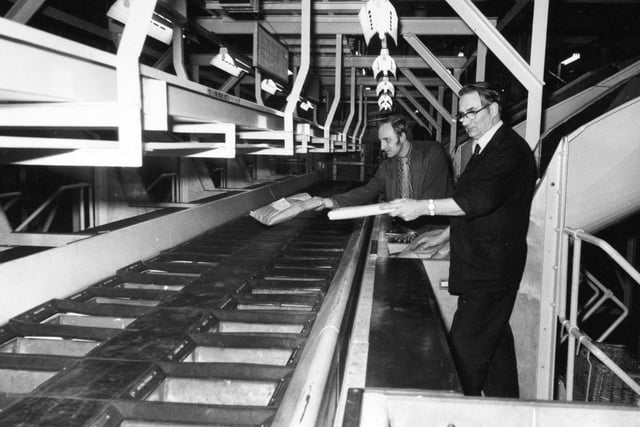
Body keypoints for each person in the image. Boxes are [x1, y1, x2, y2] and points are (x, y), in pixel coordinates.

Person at [382, 83, 537, 398]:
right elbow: (472, 203)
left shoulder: (508, 151)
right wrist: (443, 235)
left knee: (459, 364)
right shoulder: (484, 148)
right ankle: (505, 414)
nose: (465, 120)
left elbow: (478, 201)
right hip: (481, 267)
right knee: (495, 352)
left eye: (472, 112)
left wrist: (421, 207)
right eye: (461, 115)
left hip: (490, 272)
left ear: (493, 110)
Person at [312, 114, 454, 239]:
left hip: (437, 232)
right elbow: (367, 191)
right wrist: (328, 202)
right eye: (381, 141)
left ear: (402, 136)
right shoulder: (388, 166)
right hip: (408, 231)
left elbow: (433, 195)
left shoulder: (432, 153)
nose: (382, 146)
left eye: (387, 140)